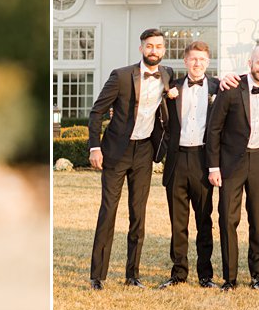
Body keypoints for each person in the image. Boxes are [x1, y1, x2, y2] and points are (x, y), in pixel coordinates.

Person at [87, 29, 171, 288]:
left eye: (158, 46)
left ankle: (132, 275)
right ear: (141, 48)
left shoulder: (167, 75)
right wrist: (94, 148)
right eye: (149, 46)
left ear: (164, 50)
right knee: (108, 211)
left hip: (144, 151)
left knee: (139, 214)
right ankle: (98, 276)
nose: (154, 50)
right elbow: (97, 112)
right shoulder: (121, 76)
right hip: (116, 151)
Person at [208, 42, 259, 290]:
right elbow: (214, 129)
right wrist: (214, 167)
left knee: (258, 219)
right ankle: (230, 278)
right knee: (228, 219)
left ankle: (257, 276)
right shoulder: (231, 88)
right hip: (231, 162)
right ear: (250, 63)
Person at [155, 42, 220, 289]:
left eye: (202, 60)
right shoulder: (171, 88)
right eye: (193, 59)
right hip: (177, 160)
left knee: (204, 219)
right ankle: (179, 273)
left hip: (204, 160)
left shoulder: (218, 87)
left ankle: (206, 275)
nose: (197, 64)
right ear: (185, 61)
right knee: (178, 221)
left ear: (208, 62)